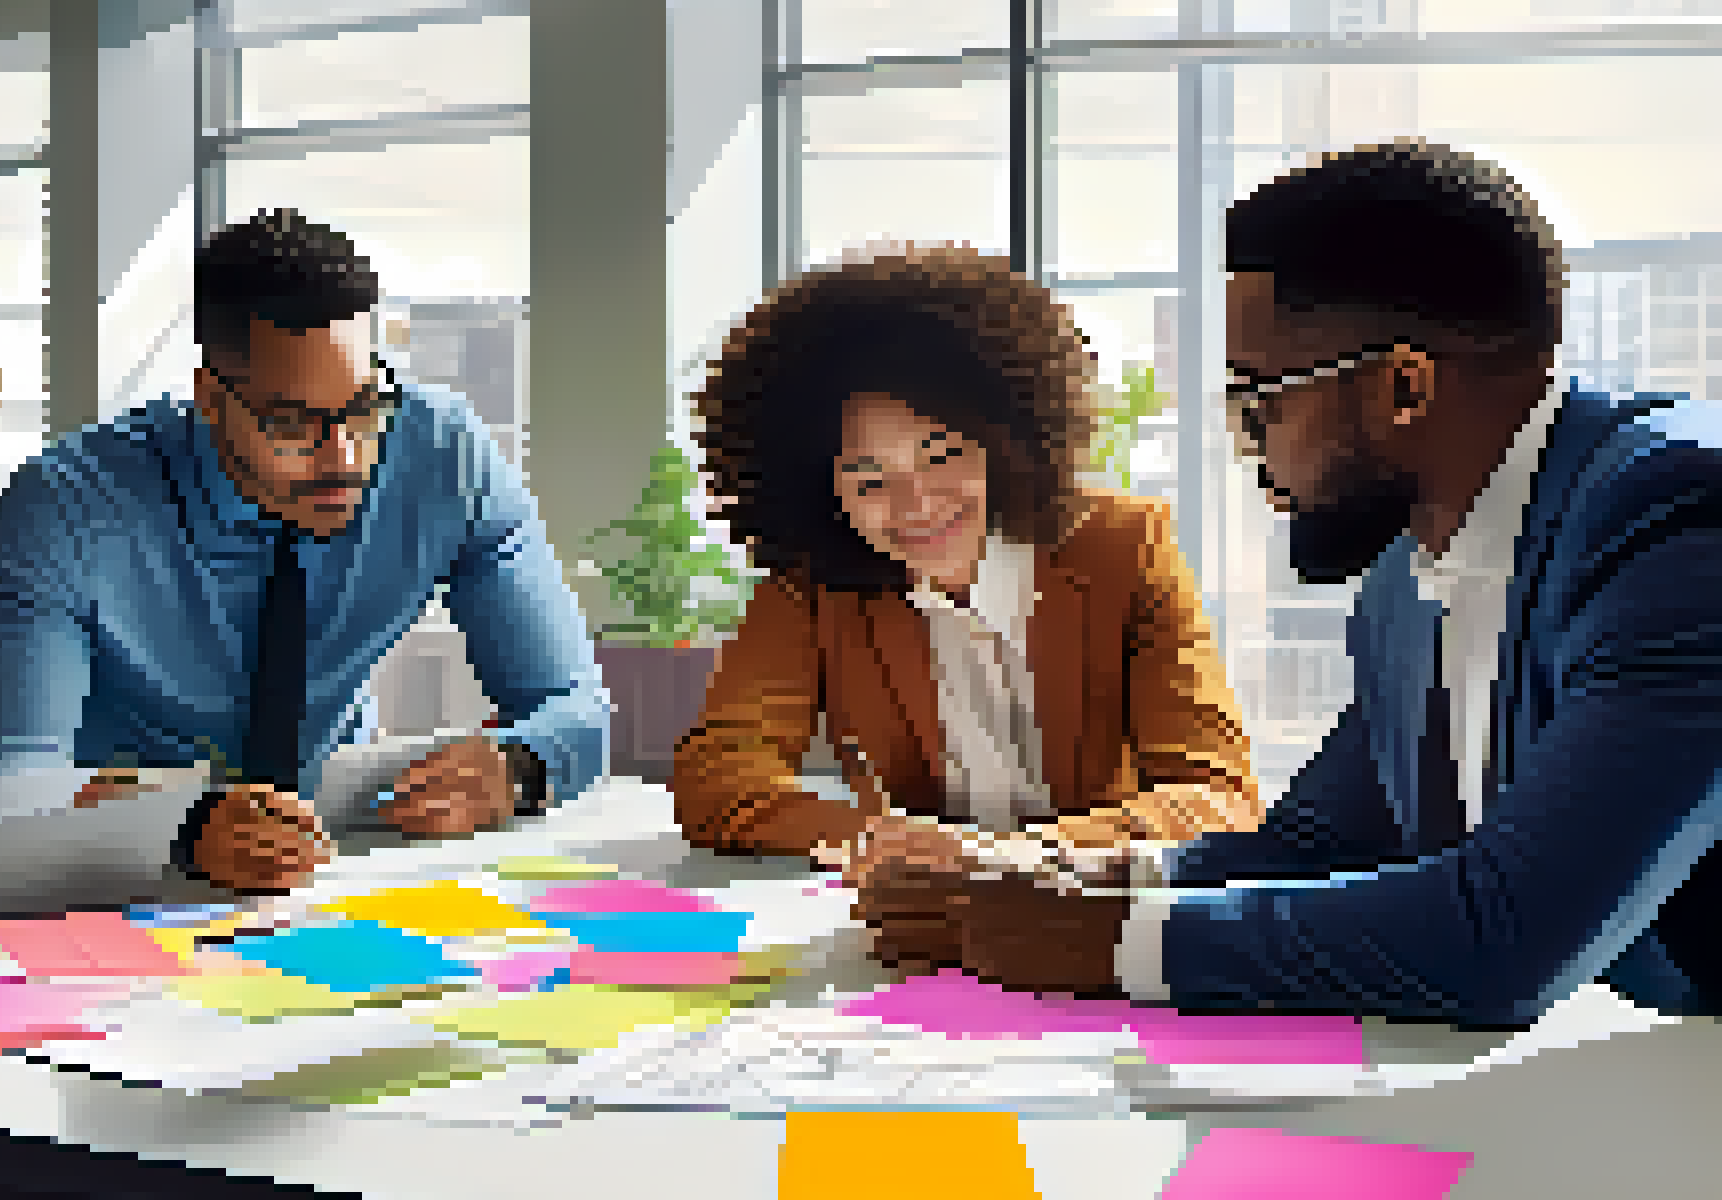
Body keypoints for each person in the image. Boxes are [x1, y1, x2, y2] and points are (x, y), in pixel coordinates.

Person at [866, 141, 1722, 1025]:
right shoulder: (1406, 572)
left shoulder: (1676, 525)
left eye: (1257, 404)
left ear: (1402, 387)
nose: (1246, 448)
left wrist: (1106, 939)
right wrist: (1076, 877)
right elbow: (1329, 841)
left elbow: (1508, 934)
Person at [0, 209, 606, 907]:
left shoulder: (442, 455)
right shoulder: (69, 504)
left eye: (363, 407)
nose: (342, 458)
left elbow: (575, 708)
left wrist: (518, 769)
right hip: (115, 883)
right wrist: (182, 827)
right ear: (211, 400)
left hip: (337, 861)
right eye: (292, 423)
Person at [675, 244, 1260, 950]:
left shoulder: (1126, 548)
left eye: (942, 456)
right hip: (913, 935)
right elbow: (719, 778)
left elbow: (1221, 800)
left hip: (1093, 926)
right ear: (824, 494)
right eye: (870, 481)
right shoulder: (811, 587)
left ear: (1004, 442)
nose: (915, 503)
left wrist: (1017, 857)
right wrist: (879, 840)